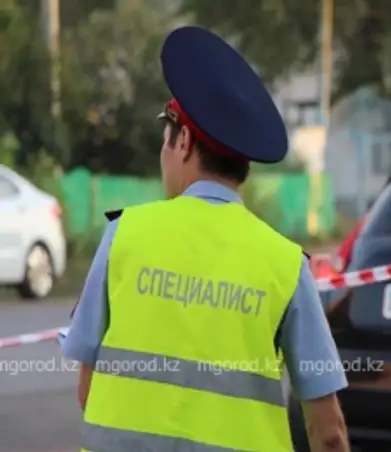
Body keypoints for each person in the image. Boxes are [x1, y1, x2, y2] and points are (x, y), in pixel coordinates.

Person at [61, 26, 349, 452]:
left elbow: (89, 390)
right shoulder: (285, 265)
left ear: (184, 142)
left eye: (165, 139)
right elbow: (328, 431)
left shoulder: (124, 235)